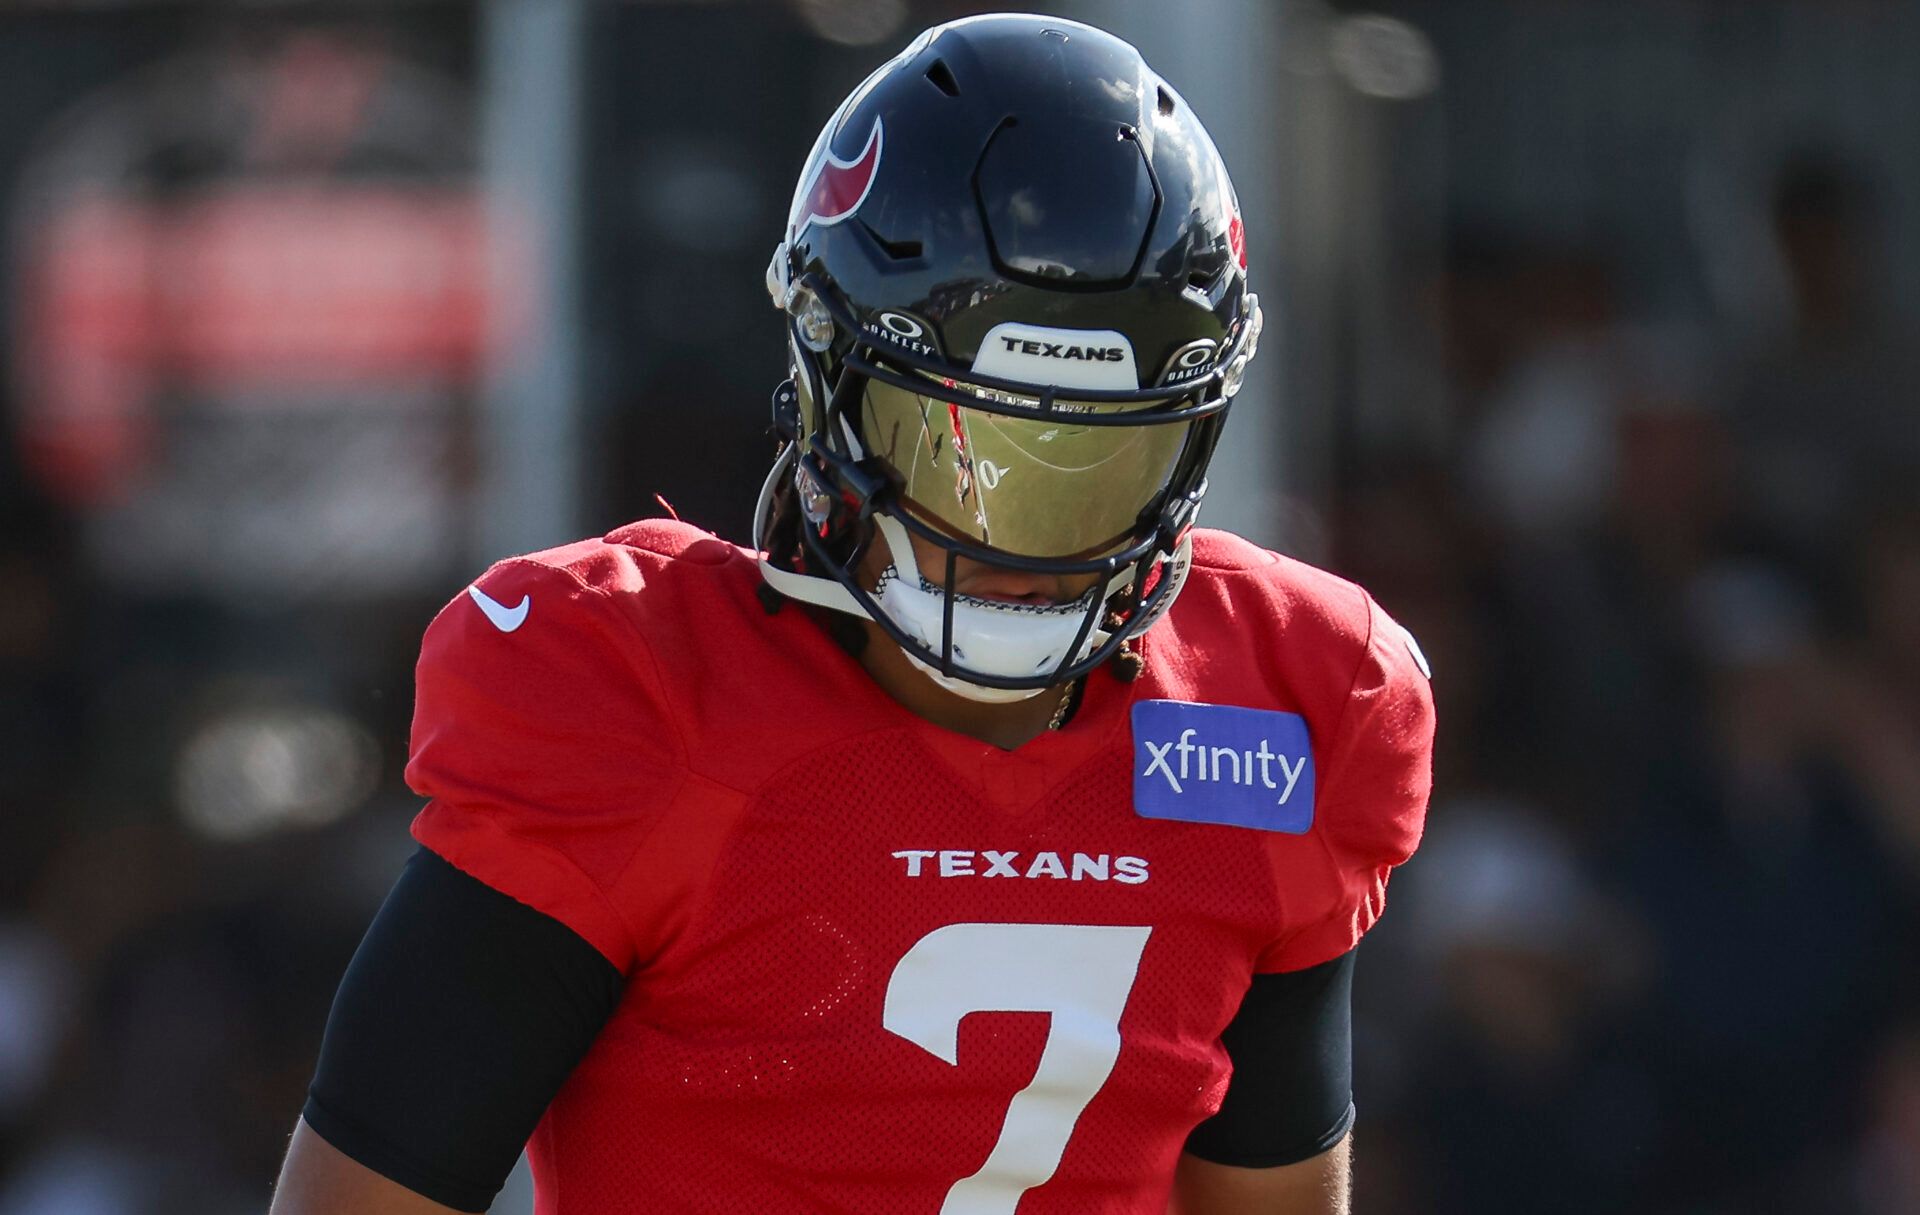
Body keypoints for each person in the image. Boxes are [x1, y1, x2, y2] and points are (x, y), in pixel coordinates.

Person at [268, 14, 1434, 1215]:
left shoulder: (1290, 700)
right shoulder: (639, 696)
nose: (1018, 547)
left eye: (1095, 465)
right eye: (960, 447)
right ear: (828, 381)